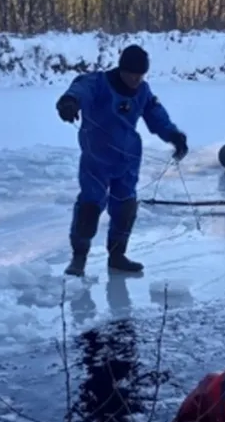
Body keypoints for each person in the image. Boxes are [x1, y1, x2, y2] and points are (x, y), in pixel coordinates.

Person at [56, 44, 189, 277]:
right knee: (89, 207)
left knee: (125, 208)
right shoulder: (97, 83)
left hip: (127, 162)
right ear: (122, 69)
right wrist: (69, 102)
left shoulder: (143, 91)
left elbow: (157, 117)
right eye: (133, 75)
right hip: (96, 161)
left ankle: (117, 256)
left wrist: (174, 136)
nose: (137, 80)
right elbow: (79, 90)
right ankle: (79, 258)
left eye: (141, 76)